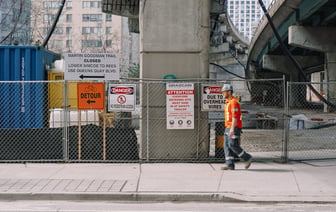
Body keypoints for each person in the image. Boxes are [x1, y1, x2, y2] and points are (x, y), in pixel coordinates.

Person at [221, 84, 252, 170]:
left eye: (224, 92)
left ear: (229, 92)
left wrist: (232, 129)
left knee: (232, 144)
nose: (223, 93)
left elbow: (235, 117)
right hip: (228, 127)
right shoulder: (228, 102)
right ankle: (230, 164)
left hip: (234, 127)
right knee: (226, 146)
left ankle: (247, 158)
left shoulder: (234, 103)